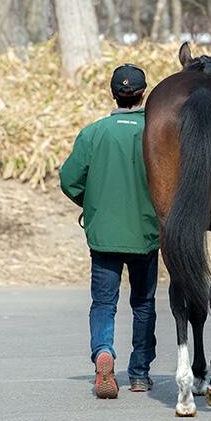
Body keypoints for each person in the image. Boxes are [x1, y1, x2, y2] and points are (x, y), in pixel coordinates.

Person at [59, 64, 159, 399]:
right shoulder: (157, 132)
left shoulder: (93, 133)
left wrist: (92, 203)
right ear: (143, 93)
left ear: (113, 93)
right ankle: (140, 373)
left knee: (104, 302)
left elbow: (69, 180)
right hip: (146, 233)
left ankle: (104, 352)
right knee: (143, 303)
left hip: (103, 233)